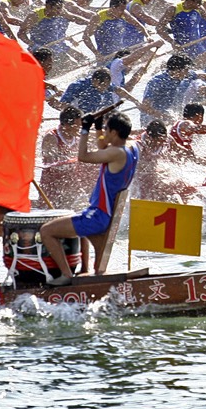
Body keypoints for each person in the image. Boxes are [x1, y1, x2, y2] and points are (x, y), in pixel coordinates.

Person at [40, 112, 139, 284]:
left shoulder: (115, 153)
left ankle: (66, 277)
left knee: (46, 231)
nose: (103, 135)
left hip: (97, 215)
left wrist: (85, 130)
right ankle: (93, 276)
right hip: (105, 215)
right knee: (82, 232)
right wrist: (99, 127)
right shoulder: (130, 148)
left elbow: (83, 156)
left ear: (114, 133)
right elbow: (102, 146)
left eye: (107, 130)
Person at [39, 106, 92, 210]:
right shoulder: (51, 137)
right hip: (51, 184)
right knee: (50, 212)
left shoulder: (76, 136)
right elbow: (51, 163)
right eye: (78, 126)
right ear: (66, 125)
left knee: (70, 210)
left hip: (70, 183)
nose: (80, 129)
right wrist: (72, 160)